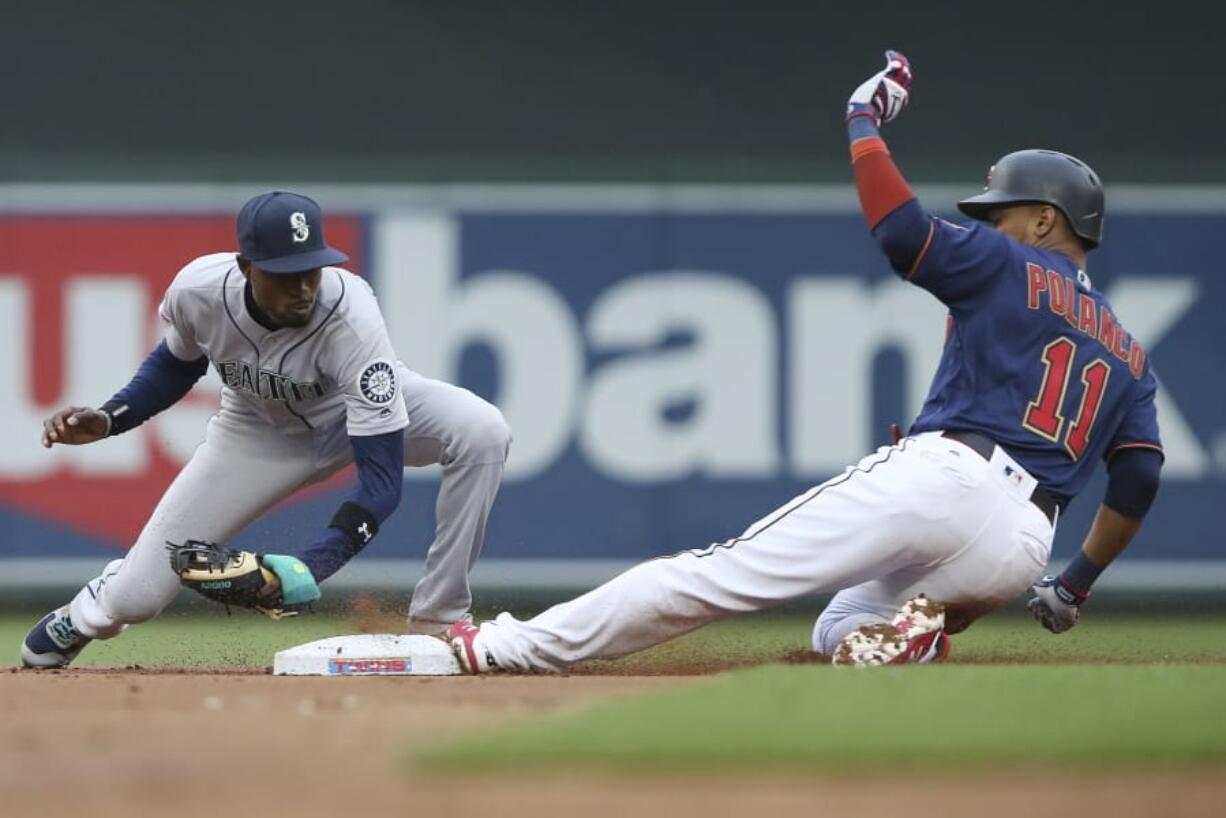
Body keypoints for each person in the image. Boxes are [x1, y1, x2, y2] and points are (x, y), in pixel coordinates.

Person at [446, 51, 1164, 672]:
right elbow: (1137, 476)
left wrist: (862, 124)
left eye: (1001, 211)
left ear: (1045, 220)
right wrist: (1073, 585)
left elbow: (902, 231)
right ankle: (917, 641)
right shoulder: (1129, 353)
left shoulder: (1010, 260)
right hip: (1021, 547)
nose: (989, 222)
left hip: (946, 480)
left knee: (718, 571)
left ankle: (510, 646)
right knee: (841, 629)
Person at [21, 191, 511, 668]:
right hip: (255, 433)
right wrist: (111, 418)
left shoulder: (351, 317)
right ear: (245, 266)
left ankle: (439, 618)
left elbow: (381, 483)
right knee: (136, 599)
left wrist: (307, 569)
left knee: (482, 430)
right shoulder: (198, 290)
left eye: (312, 270)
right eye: (285, 275)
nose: (302, 288)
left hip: (351, 417)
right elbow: (176, 365)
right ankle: (88, 613)